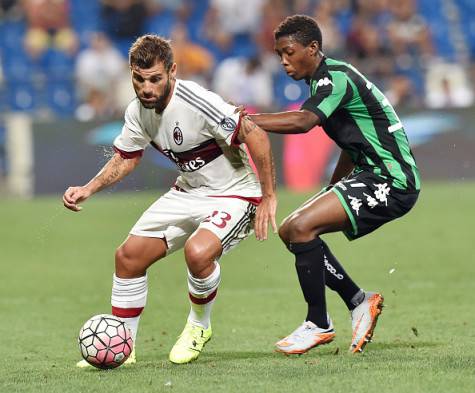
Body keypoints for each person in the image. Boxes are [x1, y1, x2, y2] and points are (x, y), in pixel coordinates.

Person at [63, 34, 277, 366]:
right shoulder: (138, 111)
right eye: (139, 79)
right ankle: (123, 345)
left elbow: (256, 134)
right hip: (188, 190)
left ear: (172, 71)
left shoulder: (197, 101)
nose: (146, 88)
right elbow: (127, 157)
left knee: (198, 253)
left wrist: (268, 196)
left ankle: (199, 326)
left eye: (155, 79)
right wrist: (88, 188)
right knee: (128, 257)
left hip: (234, 192)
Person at [244, 15, 420, 354]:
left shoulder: (334, 78)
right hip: (372, 173)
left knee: (299, 227)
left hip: (391, 179)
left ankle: (319, 323)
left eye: (289, 52)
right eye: (279, 53)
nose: (283, 61)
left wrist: (245, 121)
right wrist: (333, 187)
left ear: (312, 49)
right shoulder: (324, 80)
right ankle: (358, 301)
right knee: (292, 230)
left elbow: (303, 121)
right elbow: (352, 144)